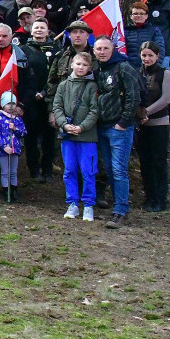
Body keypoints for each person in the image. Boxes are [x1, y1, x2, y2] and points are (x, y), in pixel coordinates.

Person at [93, 35, 140, 228]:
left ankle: (120, 210)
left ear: (113, 49)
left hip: (119, 127)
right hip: (102, 126)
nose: (102, 52)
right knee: (110, 169)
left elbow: (134, 96)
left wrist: (123, 121)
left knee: (119, 170)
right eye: (98, 49)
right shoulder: (98, 70)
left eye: (105, 48)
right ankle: (117, 204)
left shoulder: (124, 68)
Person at [53, 52, 100, 221]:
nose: (81, 68)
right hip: (68, 137)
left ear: (89, 68)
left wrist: (82, 127)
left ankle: (88, 205)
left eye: (84, 65)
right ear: (72, 64)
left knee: (88, 171)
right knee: (70, 170)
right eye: (78, 64)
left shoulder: (92, 86)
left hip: (87, 137)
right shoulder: (63, 85)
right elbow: (57, 107)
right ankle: (72, 203)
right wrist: (64, 125)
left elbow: (95, 110)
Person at [21, 18, 58, 182]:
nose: (39, 30)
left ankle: (48, 169)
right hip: (30, 100)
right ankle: (33, 169)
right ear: (31, 30)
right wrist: (32, 93)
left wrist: (45, 92)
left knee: (49, 137)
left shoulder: (57, 49)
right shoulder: (23, 50)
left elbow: (58, 76)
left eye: (42, 27)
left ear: (48, 30)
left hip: (50, 99)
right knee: (31, 136)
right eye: (36, 27)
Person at [137, 42, 170, 212]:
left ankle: (160, 198)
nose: (147, 59)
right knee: (145, 161)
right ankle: (149, 196)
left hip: (159, 124)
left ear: (157, 56)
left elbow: (166, 99)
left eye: (150, 55)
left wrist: (145, 112)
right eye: (144, 55)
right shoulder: (137, 73)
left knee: (158, 161)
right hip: (142, 126)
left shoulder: (165, 74)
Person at [0, 91, 27, 202]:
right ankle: (6, 192)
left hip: (15, 149)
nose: (11, 106)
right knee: (5, 172)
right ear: (3, 105)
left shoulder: (17, 119)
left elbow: (23, 133)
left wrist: (15, 129)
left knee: (13, 171)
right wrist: (4, 146)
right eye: (8, 103)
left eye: (13, 103)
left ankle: (14, 192)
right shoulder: (0, 118)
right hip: (3, 150)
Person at [125, 2, 165, 68]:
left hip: (149, 69)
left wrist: (155, 68)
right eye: (135, 14)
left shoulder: (154, 31)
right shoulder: (125, 31)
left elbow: (160, 50)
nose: (138, 16)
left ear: (146, 16)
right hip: (129, 70)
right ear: (131, 16)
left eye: (141, 14)